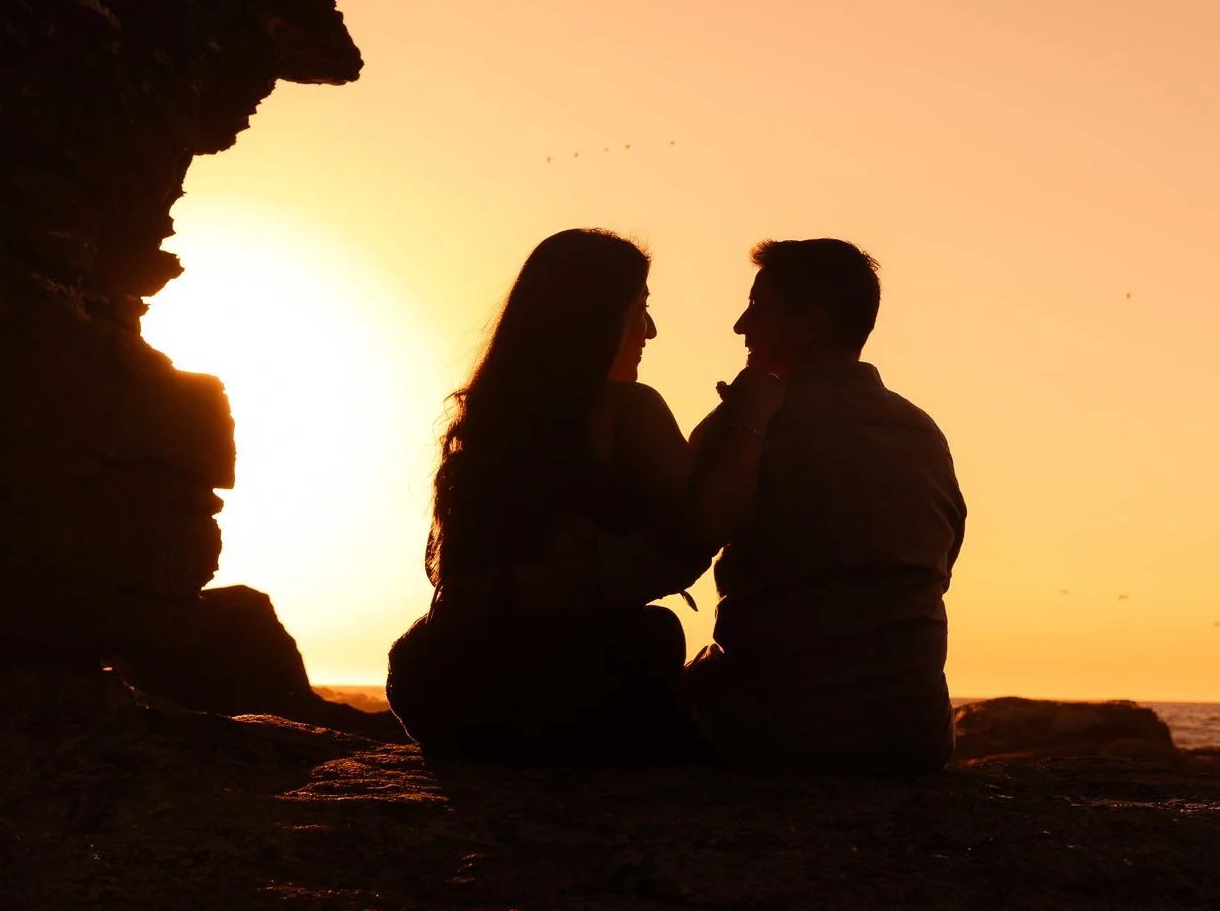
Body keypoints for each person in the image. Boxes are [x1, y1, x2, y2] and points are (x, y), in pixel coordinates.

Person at [385, 229, 714, 764]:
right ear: (599, 317)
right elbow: (696, 532)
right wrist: (747, 422)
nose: (649, 330)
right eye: (641, 307)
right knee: (658, 636)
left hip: (444, 685)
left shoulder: (489, 418)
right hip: (560, 691)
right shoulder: (628, 409)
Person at [683, 239, 967, 774]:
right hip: (915, 738)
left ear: (811, 326)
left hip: (771, 733)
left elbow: (685, 538)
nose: (740, 327)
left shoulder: (744, 426)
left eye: (757, 310)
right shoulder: (923, 432)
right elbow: (941, 565)